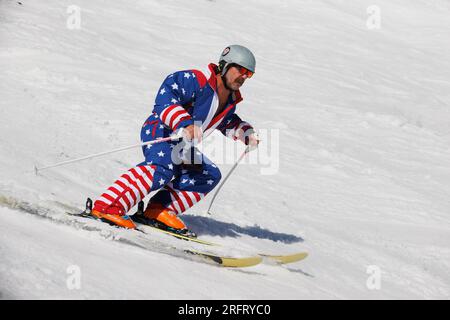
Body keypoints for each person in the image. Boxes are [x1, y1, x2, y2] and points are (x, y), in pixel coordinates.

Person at [91, 45, 259, 236]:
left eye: (250, 74)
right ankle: (107, 207)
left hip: (182, 145)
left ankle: (158, 211)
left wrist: (246, 133)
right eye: (242, 70)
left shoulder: (229, 101)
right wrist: (184, 122)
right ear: (225, 65)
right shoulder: (199, 81)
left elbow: (227, 123)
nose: (244, 77)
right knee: (162, 166)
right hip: (162, 130)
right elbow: (167, 95)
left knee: (207, 174)